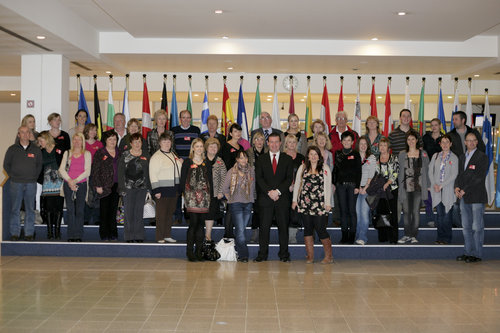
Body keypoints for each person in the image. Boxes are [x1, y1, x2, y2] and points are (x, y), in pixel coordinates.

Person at [254, 132, 293, 262]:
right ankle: (262, 254)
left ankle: (284, 254)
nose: (274, 144)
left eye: (277, 142)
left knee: (283, 228)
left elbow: (289, 179)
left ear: (280, 143)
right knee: (264, 228)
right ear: (268, 143)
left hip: (282, 199)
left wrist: (278, 192)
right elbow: (259, 178)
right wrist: (269, 192)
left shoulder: (287, 159)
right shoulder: (261, 159)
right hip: (266, 199)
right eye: (272, 142)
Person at [292, 146, 333, 264]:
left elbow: (328, 186)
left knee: (321, 229)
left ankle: (329, 256)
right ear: (308, 156)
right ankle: (310, 256)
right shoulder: (302, 167)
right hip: (305, 204)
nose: (313, 156)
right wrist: (295, 200)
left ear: (319, 156)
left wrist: (328, 203)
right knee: (308, 229)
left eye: (316, 154)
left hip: (320, 205)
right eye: (311, 154)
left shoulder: (325, 168)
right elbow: (297, 185)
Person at [447, 111, 485, 228]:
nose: (454, 121)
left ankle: (472, 223)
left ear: (463, 120)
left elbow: (482, 148)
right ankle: (458, 223)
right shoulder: (450, 134)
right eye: (453, 119)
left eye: (456, 119)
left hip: (472, 171)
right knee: (456, 198)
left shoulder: (473, 133)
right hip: (456, 169)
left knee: (471, 196)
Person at [4, 126, 42, 241]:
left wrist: (33, 177)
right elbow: (6, 165)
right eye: (22, 133)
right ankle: (15, 233)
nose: (25, 135)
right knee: (15, 209)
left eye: (27, 132)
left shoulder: (36, 149)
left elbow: (39, 165)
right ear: (19, 135)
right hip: (16, 183)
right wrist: (13, 176)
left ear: (30, 134)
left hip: (31, 183)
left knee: (30, 209)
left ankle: (29, 233)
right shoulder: (12, 149)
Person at [455, 132, 488, 263]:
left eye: (474, 140)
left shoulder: (482, 157)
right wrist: (456, 187)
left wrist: (464, 190)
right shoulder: (462, 157)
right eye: (469, 140)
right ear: (465, 142)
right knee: (466, 227)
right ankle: (468, 252)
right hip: (463, 197)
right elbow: (459, 175)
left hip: (477, 197)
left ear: (477, 142)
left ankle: (477, 254)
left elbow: (478, 177)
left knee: (477, 227)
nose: (471, 143)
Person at [180, 138, 213, 261]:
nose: (199, 149)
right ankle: (189, 252)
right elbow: (183, 180)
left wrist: (211, 196)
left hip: (204, 198)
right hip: (191, 198)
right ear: (193, 148)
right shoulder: (187, 162)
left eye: (201, 146)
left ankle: (199, 252)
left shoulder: (207, 163)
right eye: (197, 146)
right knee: (193, 224)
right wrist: (185, 196)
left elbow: (210, 181)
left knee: (200, 225)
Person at [149, 132, 183, 243]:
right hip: (162, 190)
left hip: (174, 189)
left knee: (169, 214)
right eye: (164, 141)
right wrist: (156, 190)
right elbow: (152, 174)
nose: (167, 143)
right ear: (159, 143)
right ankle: (159, 236)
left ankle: (167, 235)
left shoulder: (173, 154)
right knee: (161, 214)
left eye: (169, 141)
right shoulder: (156, 156)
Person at [397, 131, 430, 244]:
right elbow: (398, 171)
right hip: (405, 187)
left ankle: (413, 235)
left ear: (416, 140)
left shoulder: (423, 154)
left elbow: (428, 170)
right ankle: (407, 234)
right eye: (408, 139)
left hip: (418, 188)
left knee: (415, 212)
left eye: (413, 139)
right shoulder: (402, 154)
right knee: (406, 212)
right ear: (406, 141)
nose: (411, 141)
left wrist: (429, 185)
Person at [222, 150, 255, 262]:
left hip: (248, 204)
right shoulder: (232, 171)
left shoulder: (252, 171)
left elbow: (254, 187)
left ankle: (238, 251)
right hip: (235, 205)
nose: (243, 160)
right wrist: (230, 199)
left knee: (241, 230)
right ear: (237, 159)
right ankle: (244, 255)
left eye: (245, 157)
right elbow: (224, 188)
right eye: (241, 158)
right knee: (240, 231)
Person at [118, 133, 151, 243]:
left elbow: (149, 172)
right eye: (135, 142)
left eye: (139, 141)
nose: (137, 144)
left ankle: (139, 235)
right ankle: (129, 236)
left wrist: (149, 189)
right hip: (128, 188)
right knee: (128, 212)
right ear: (131, 143)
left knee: (139, 212)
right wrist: (122, 188)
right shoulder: (125, 155)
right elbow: (120, 173)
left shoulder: (146, 155)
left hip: (142, 188)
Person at [59, 133, 91, 242]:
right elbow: (61, 169)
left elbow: (88, 171)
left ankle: (78, 235)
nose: (77, 142)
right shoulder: (67, 153)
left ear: (82, 142)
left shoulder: (87, 154)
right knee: (70, 210)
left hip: (81, 185)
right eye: (75, 140)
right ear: (72, 141)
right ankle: (71, 235)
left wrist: (76, 181)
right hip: (68, 185)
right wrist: (70, 181)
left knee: (80, 210)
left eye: (79, 140)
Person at [428, 134, 458, 245]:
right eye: (443, 142)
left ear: (451, 144)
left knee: (447, 216)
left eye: (447, 142)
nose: (445, 144)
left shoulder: (454, 157)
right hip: (436, 190)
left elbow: (454, 175)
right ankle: (440, 237)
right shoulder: (435, 156)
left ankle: (446, 238)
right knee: (440, 216)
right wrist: (435, 184)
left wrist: (441, 185)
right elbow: (430, 171)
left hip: (447, 190)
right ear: (440, 144)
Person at [333, 131, 362, 244]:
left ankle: (352, 236)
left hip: (352, 186)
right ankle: (344, 235)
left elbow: (358, 172)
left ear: (352, 142)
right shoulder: (338, 153)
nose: (346, 142)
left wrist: (357, 186)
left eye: (349, 140)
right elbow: (335, 170)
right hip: (340, 186)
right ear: (341, 141)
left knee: (351, 211)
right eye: (344, 140)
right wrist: (334, 183)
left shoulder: (356, 154)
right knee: (343, 211)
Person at [92, 130, 120, 241]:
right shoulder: (100, 152)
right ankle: (104, 234)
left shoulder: (120, 152)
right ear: (105, 140)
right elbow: (95, 170)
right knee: (104, 211)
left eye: (114, 139)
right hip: (104, 186)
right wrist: (98, 185)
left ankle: (113, 233)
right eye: (110, 139)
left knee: (113, 211)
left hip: (117, 186)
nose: (112, 141)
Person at [37, 131, 64, 240]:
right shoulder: (41, 152)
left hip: (59, 182)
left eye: (41, 141)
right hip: (47, 183)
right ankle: (49, 232)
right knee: (48, 208)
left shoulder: (59, 149)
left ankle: (57, 232)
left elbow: (64, 162)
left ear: (47, 139)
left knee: (58, 207)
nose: (39, 143)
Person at [375, 137, 399, 244]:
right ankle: (383, 237)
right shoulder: (376, 159)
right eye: (381, 145)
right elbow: (374, 174)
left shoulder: (394, 158)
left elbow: (396, 172)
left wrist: (388, 183)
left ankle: (393, 237)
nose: (382, 147)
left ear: (388, 147)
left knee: (392, 213)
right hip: (380, 191)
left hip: (392, 189)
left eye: (384, 145)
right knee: (382, 214)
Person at [422, 118, 444, 227]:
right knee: (428, 196)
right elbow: (422, 151)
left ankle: (441, 219)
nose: (434, 127)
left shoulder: (445, 138)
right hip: (428, 169)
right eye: (432, 125)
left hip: (441, 170)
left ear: (440, 126)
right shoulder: (426, 137)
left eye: (436, 125)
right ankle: (430, 218)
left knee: (440, 196)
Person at [355, 137, 376, 245]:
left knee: (364, 213)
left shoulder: (371, 157)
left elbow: (372, 174)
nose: (363, 146)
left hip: (367, 189)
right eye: (361, 144)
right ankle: (358, 235)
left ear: (368, 145)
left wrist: (365, 188)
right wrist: (358, 187)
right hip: (357, 189)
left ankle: (363, 237)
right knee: (358, 214)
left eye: (365, 144)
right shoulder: (355, 157)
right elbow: (354, 174)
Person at [284, 134, 305, 244]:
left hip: (298, 190)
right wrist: (287, 185)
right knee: (284, 213)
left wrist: (297, 186)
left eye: (294, 142)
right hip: (284, 190)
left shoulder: (301, 158)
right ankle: (284, 235)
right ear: (286, 143)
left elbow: (304, 174)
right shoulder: (281, 156)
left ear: (297, 144)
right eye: (289, 142)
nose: (292, 144)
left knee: (295, 213)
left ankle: (292, 236)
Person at [205, 138, 227, 241]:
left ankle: (208, 235)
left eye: (215, 146)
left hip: (214, 193)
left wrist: (220, 192)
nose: (213, 148)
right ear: (207, 147)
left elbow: (224, 177)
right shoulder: (201, 159)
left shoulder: (220, 161)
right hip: (202, 194)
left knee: (210, 215)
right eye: (211, 146)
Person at [247, 131, 267, 243]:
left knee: (264, 211)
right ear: (253, 141)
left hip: (265, 185)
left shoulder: (268, 152)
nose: (259, 142)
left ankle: (264, 233)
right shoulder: (248, 152)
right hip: (253, 185)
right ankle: (255, 233)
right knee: (256, 210)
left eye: (261, 139)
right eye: (257, 139)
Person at [83, 123, 103, 225]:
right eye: (91, 130)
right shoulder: (82, 143)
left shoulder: (99, 144)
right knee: (86, 195)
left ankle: (96, 219)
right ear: (87, 131)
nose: (93, 132)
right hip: (85, 173)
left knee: (97, 196)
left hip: (97, 173)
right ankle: (85, 218)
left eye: (95, 130)